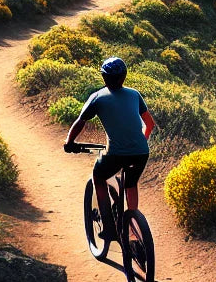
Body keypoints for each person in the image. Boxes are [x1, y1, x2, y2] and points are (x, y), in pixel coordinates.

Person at [64, 56, 155, 241]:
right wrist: (138, 142)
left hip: (115, 154)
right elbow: (150, 124)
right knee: (131, 183)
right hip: (141, 152)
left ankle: (109, 227)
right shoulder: (134, 94)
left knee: (98, 177)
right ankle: (133, 225)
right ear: (124, 77)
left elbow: (80, 123)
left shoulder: (97, 98)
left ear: (104, 78)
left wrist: (69, 142)